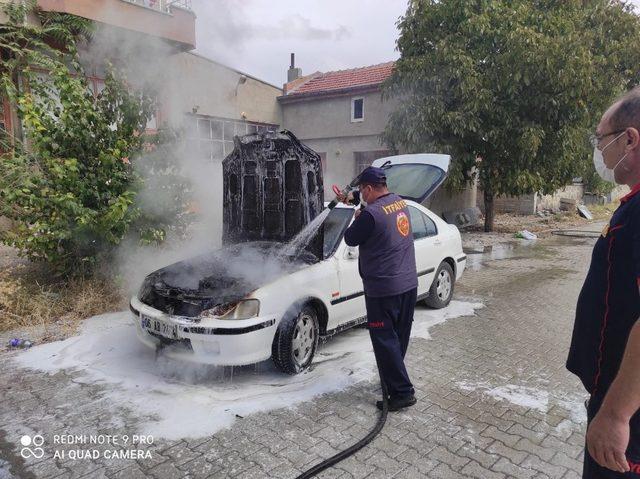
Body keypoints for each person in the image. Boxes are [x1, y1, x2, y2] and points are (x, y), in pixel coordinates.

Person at [567, 87, 640, 477]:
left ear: (629, 140)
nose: (599, 149)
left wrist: (615, 414)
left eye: (601, 138)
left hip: (628, 415)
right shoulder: (633, 205)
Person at [339, 166, 418, 411]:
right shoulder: (399, 203)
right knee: (397, 338)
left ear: (370, 188)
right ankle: (393, 382)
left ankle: (402, 392)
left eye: (362, 192)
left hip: (383, 289)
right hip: (408, 284)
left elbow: (351, 238)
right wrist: (356, 203)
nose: (361, 196)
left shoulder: (370, 215)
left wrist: (358, 216)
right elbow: (379, 216)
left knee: (384, 340)